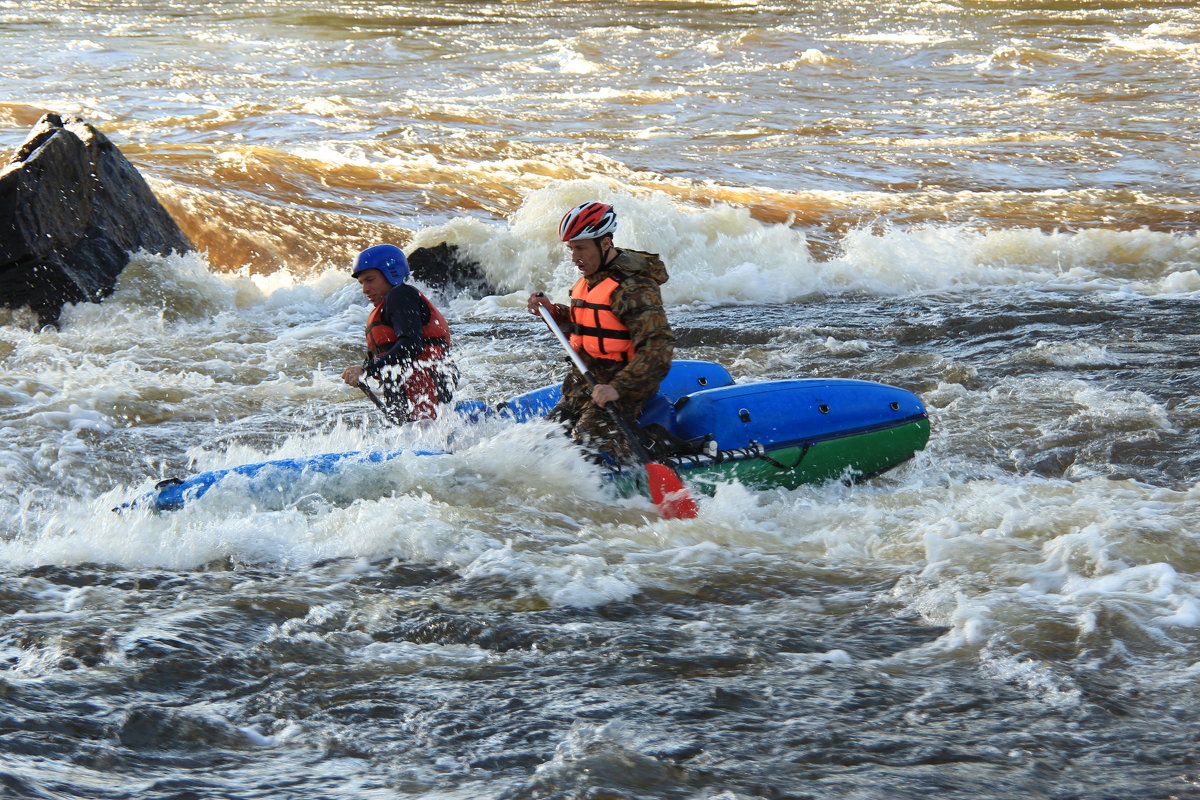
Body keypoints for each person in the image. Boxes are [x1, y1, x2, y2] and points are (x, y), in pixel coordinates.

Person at [527, 201, 675, 462]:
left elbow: (658, 349)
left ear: (605, 243)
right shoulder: (593, 278)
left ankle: (648, 446)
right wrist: (550, 311)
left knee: (579, 453)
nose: (574, 257)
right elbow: (585, 326)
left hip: (623, 389)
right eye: (571, 248)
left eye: (581, 248)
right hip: (583, 385)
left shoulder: (634, 287)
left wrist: (617, 388)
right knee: (540, 443)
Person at [341, 244, 456, 423]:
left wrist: (366, 369)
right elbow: (389, 353)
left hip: (426, 389)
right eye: (362, 283)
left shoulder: (400, 296)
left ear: (391, 273)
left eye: (370, 280)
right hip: (411, 393)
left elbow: (411, 345)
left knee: (425, 437)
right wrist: (364, 371)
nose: (365, 289)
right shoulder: (389, 305)